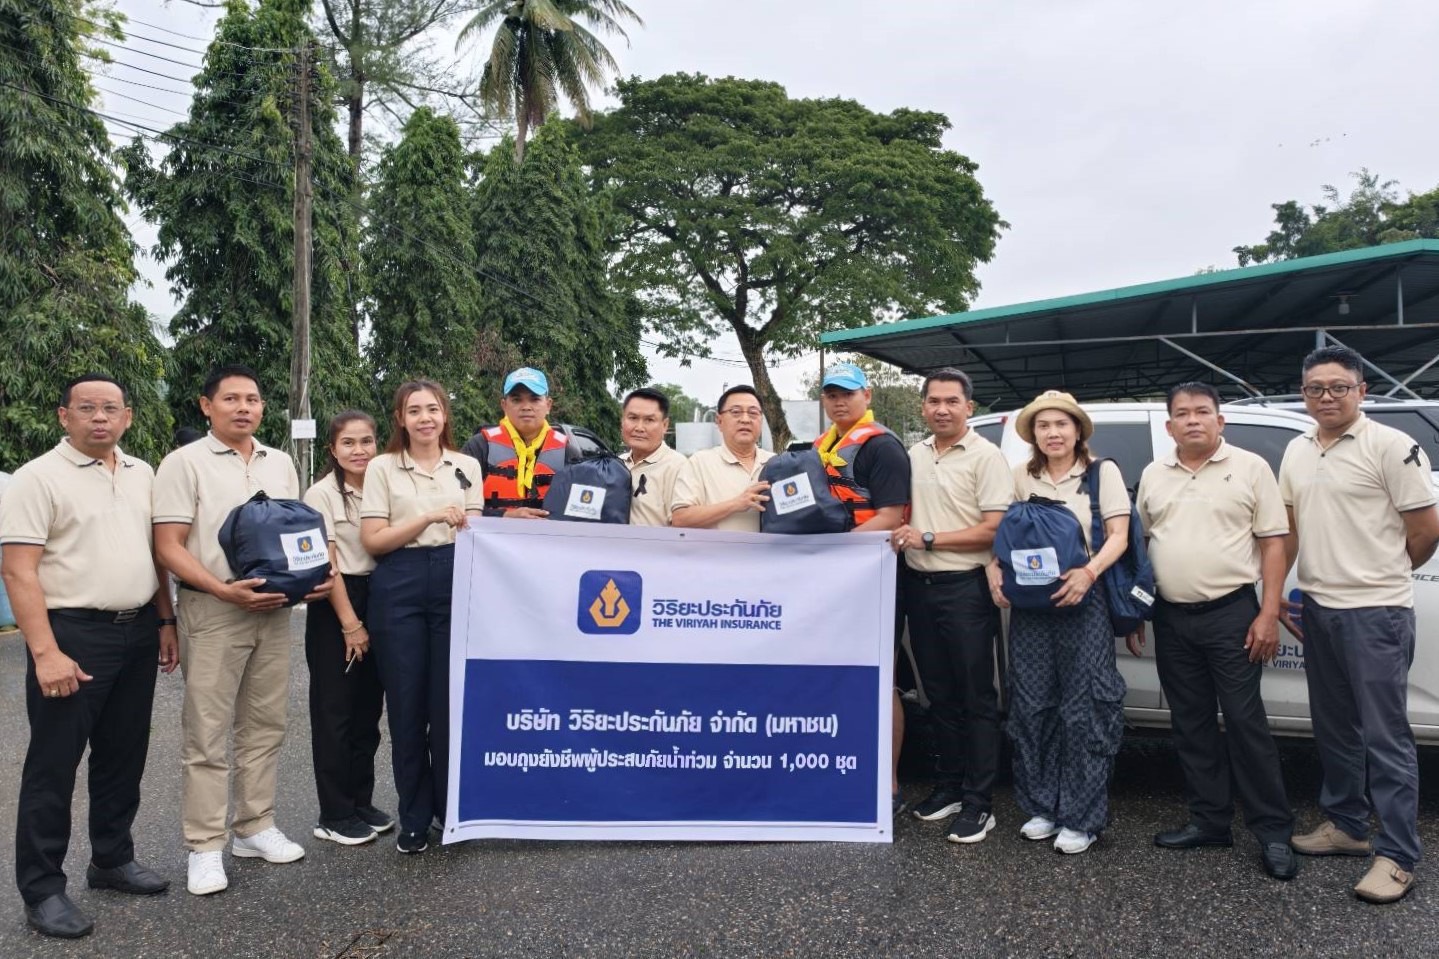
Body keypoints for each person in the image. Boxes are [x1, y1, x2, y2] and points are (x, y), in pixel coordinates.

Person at [0, 374, 179, 938]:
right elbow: (17, 569)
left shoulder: (141, 473)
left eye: (110, 408)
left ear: (126, 416)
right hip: (72, 633)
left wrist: (165, 619)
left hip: (137, 630)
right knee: (54, 765)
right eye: (87, 409)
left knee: (123, 756)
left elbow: (153, 556)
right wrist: (45, 651)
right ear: (64, 416)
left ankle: (110, 859)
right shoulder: (36, 479)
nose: (99, 418)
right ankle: (43, 889)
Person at [154, 365, 329, 896]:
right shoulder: (183, 463)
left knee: (265, 723)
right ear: (206, 406)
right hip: (215, 608)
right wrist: (223, 589)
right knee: (206, 732)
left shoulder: (280, 463)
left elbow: (296, 533)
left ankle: (254, 827)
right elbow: (167, 546)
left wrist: (311, 578)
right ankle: (204, 846)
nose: (243, 407)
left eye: (252, 398)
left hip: (275, 610)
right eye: (230, 399)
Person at [1279, 346, 1439, 904]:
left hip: (1376, 613)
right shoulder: (1296, 450)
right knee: (1335, 728)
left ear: (1362, 390)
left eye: (1338, 387)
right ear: (1303, 394)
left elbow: (1424, 529)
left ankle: (1397, 855)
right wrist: (1274, 592)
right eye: (1315, 388)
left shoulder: (1391, 446)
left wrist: (1382, 574)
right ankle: (1346, 825)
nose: (1326, 397)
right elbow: (1292, 527)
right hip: (1318, 608)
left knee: (1385, 737)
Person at [1131, 382, 1297, 881]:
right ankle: (1209, 821)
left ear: (1219, 420)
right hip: (1172, 616)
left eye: (1202, 412)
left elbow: (1273, 545)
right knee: (1191, 722)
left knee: (1246, 724)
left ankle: (1273, 833)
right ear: (1169, 426)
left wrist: (1267, 614)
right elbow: (1144, 547)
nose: (1193, 420)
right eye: (1182, 414)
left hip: (1233, 614)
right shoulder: (1154, 474)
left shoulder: (1250, 468)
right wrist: (1137, 612)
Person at [987, 389, 1129, 855]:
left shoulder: (1100, 473)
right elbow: (1001, 537)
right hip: (1030, 608)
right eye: (1044, 426)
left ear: (1077, 430)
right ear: (1033, 434)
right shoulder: (1019, 477)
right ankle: (1043, 805)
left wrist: (1089, 573)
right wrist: (994, 573)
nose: (1053, 433)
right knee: (1032, 707)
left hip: (1081, 601)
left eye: (1062, 424)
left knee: (1085, 711)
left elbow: (1118, 537)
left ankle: (1082, 817)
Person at [361, 381, 484, 854]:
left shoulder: (466, 465)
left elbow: (475, 532)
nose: (425, 418)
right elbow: (374, 540)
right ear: (400, 418)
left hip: (456, 580)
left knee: (448, 705)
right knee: (407, 705)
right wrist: (429, 517)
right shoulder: (382, 468)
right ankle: (413, 815)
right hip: (400, 581)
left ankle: (448, 812)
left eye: (433, 408)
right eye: (415, 411)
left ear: (445, 414)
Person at [890, 368, 1011, 843]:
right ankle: (949, 787)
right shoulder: (913, 454)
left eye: (952, 401)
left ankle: (981, 802)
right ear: (923, 407)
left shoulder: (987, 456)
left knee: (977, 696)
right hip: (920, 587)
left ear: (969, 408)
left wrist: (930, 537)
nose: (942, 409)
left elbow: (994, 528)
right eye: (934, 401)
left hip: (966, 588)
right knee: (937, 696)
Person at [813, 363, 912, 815]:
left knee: (881, 680)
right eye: (831, 394)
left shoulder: (883, 447)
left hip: (873, 576)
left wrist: (835, 554)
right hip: (833, 581)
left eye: (847, 394)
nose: (839, 401)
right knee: (834, 677)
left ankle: (888, 784)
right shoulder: (820, 447)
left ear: (866, 396)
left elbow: (892, 516)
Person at [302, 411, 393, 846]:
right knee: (335, 711)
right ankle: (334, 813)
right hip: (338, 604)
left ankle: (361, 800)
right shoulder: (321, 495)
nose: (359, 451)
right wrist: (350, 624)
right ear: (333, 450)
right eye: (349, 443)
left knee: (367, 712)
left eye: (367, 441)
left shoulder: (382, 486)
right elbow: (329, 566)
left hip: (381, 595)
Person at [461, 367, 566, 518]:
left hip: (549, 539)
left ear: (548, 405)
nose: (526, 407)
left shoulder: (567, 451)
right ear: (504, 405)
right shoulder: (479, 446)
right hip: (493, 539)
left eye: (535, 399)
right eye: (517, 400)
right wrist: (504, 515)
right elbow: (457, 504)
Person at [671, 385, 774, 532]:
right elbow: (680, 519)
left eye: (753, 413)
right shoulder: (699, 463)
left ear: (761, 421)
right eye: (736, 412)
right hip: (716, 555)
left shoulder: (776, 463)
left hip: (770, 555)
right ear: (719, 421)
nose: (745, 419)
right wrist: (736, 504)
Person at [619, 388, 686, 526]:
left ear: (665, 425)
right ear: (622, 421)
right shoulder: (616, 463)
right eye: (633, 418)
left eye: (649, 420)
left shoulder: (678, 467)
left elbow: (682, 528)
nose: (639, 427)